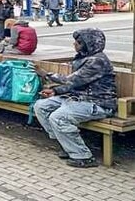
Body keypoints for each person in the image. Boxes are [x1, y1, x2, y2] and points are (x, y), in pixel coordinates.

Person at [33, 29, 117, 168]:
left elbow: (71, 80)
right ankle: (67, 144)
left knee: (58, 117)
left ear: (88, 44)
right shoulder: (83, 58)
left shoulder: (98, 61)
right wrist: (55, 91)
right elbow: (74, 85)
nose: (74, 44)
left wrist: (46, 74)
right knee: (41, 106)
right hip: (78, 99)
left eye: (78, 42)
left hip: (98, 103)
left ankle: (82, 156)